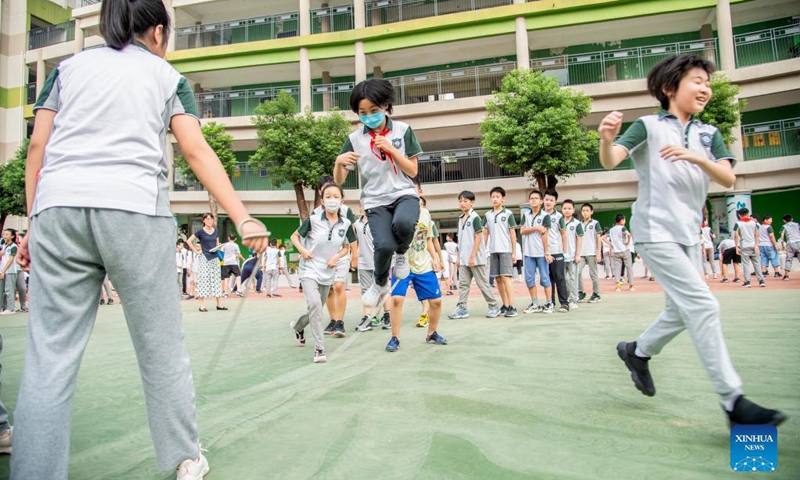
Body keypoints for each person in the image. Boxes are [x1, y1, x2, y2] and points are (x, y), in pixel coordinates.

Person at [12, 0, 270, 477]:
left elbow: (37, 148)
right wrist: (244, 216)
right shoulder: (164, 76)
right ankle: (182, 457)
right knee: (160, 347)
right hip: (132, 208)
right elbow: (194, 149)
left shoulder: (66, 69)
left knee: (49, 355)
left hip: (58, 208)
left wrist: (33, 223)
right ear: (156, 31)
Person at [599, 54, 785, 426]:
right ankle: (733, 401)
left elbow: (728, 179)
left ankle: (637, 352)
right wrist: (606, 139)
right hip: (654, 230)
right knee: (703, 305)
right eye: (696, 81)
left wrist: (695, 158)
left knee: (679, 311)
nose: (704, 88)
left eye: (707, 83)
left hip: (688, 234)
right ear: (670, 88)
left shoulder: (708, 133)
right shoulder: (648, 127)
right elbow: (611, 160)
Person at [334, 78, 421, 311]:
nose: (368, 116)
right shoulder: (354, 139)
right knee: (382, 245)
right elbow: (339, 180)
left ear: (385, 106)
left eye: (373, 110)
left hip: (403, 193)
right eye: (362, 112)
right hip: (374, 200)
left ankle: (402, 253)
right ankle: (379, 283)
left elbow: (412, 170)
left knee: (403, 224)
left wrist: (391, 149)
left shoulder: (403, 130)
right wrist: (338, 162)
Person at [290, 182, 356, 363]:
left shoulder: (347, 223)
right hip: (309, 268)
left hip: (328, 272)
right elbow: (294, 237)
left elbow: (345, 247)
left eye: (336, 196)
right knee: (315, 305)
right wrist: (302, 251)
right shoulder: (313, 220)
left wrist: (337, 257)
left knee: (316, 307)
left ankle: (298, 326)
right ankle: (319, 349)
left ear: (342, 200)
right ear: (322, 200)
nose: (332, 200)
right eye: (328, 197)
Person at [385, 195, 447, 352]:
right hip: (402, 263)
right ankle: (395, 337)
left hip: (423, 263)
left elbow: (427, 239)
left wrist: (435, 258)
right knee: (397, 299)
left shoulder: (426, 213)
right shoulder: (395, 212)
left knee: (436, 301)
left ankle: (431, 333)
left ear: (419, 191)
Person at [448, 191, 500, 319]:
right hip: (464, 259)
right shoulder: (461, 218)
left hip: (476, 259)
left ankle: (493, 306)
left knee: (482, 283)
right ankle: (462, 308)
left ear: (472, 202)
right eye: (460, 201)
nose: (462, 203)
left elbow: (478, 237)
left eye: (465, 201)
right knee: (463, 284)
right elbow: (460, 240)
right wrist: (459, 257)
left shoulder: (475, 217)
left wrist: (472, 256)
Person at [352, 211, 391, 331]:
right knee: (365, 290)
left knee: (383, 289)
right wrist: (354, 258)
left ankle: (387, 315)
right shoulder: (356, 224)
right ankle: (367, 318)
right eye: (362, 204)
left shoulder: (380, 221)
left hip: (379, 261)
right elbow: (355, 242)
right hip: (364, 263)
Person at [483, 186, 518, 317]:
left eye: (497, 197)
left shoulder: (508, 214)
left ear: (503, 199)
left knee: (506, 277)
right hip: (493, 251)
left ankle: (512, 306)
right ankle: (505, 304)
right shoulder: (488, 215)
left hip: (505, 250)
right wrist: (483, 249)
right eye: (493, 197)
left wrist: (514, 252)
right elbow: (485, 233)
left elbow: (513, 233)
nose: (495, 199)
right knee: (497, 278)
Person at [520, 190, 554, 314]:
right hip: (528, 253)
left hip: (540, 253)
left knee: (545, 278)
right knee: (529, 279)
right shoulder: (526, 215)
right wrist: (535, 228)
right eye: (531, 198)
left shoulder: (545, 216)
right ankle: (535, 303)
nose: (533, 200)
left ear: (541, 201)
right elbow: (522, 231)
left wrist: (547, 252)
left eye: (536, 198)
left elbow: (544, 234)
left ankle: (549, 303)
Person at [187, 213, 228, 311]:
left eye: (211, 219)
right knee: (203, 280)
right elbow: (189, 241)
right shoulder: (201, 231)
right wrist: (196, 251)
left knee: (217, 281)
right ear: (204, 220)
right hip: (205, 258)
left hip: (215, 258)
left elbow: (217, 243)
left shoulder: (216, 231)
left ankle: (219, 304)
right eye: (207, 219)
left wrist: (219, 246)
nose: (210, 221)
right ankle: (201, 305)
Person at [543, 189, 569, 312]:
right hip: (542, 252)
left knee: (559, 277)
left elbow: (563, 233)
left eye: (551, 200)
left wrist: (564, 251)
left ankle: (564, 303)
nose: (548, 202)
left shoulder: (559, 217)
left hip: (556, 251)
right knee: (547, 278)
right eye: (546, 199)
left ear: (555, 202)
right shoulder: (539, 215)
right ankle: (550, 302)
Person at [734, 207, 764, 288]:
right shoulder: (754, 223)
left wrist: (737, 247)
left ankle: (747, 282)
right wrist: (757, 244)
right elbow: (757, 234)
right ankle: (761, 280)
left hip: (744, 245)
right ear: (748, 214)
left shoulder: (738, 224)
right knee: (757, 263)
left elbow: (736, 236)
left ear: (739, 215)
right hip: (754, 245)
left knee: (746, 264)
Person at [577, 203, 602, 303]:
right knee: (577, 272)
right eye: (583, 211)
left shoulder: (595, 223)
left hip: (592, 252)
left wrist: (598, 252)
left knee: (593, 274)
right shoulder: (579, 224)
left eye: (587, 210)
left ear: (591, 212)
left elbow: (599, 238)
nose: (585, 212)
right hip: (581, 253)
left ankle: (596, 294)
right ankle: (581, 292)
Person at [561, 200, 583, 310]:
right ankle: (565, 299)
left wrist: (578, 255)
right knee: (564, 279)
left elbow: (579, 239)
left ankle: (573, 299)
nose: (567, 210)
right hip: (561, 256)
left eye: (569, 208)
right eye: (565, 208)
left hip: (573, 256)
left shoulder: (577, 224)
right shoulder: (559, 222)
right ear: (562, 209)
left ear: (573, 210)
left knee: (573, 278)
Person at [604, 214, 634, 291]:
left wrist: (610, 244)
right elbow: (628, 234)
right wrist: (627, 242)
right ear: (622, 220)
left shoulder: (611, 229)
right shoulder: (623, 228)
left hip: (615, 251)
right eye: (624, 220)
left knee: (617, 268)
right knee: (629, 267)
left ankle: (618, 286)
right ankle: (631, 285)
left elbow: (603, 237)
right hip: (624, 250)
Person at [0, 229, 22, 315]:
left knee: (9, 290)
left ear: (12, 236)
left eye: (7, 234)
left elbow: (10, 260)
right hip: (2, 270)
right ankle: (2, 307)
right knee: (1, 290)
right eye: (4, 234)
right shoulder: (4, 245)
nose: (5, 236)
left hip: (10, 271)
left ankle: (11, 308)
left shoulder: (14, 246)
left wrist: (3, 271)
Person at [780, 214, 800, 280]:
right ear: (792, 219)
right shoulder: (797, 224)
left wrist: (782, 244)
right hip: (799, 242)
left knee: (789, 259)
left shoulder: (784, 226)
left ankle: (786, 276)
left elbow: (782, 236)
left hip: (790, 243)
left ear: (784, 220)